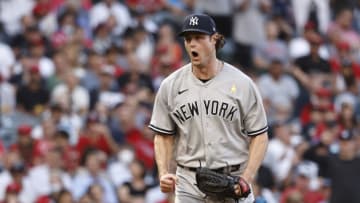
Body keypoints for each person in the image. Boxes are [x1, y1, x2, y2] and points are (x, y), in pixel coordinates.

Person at [149, 13, 269, 203]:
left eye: (199, 38)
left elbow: (259, 136)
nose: (192, 44)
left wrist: (247, 177)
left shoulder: (242, 83)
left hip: (233, 178)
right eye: (188, 39)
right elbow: (163, 135)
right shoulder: (171, 85)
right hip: (189, 180)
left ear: (214, 40)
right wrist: (164, 172)